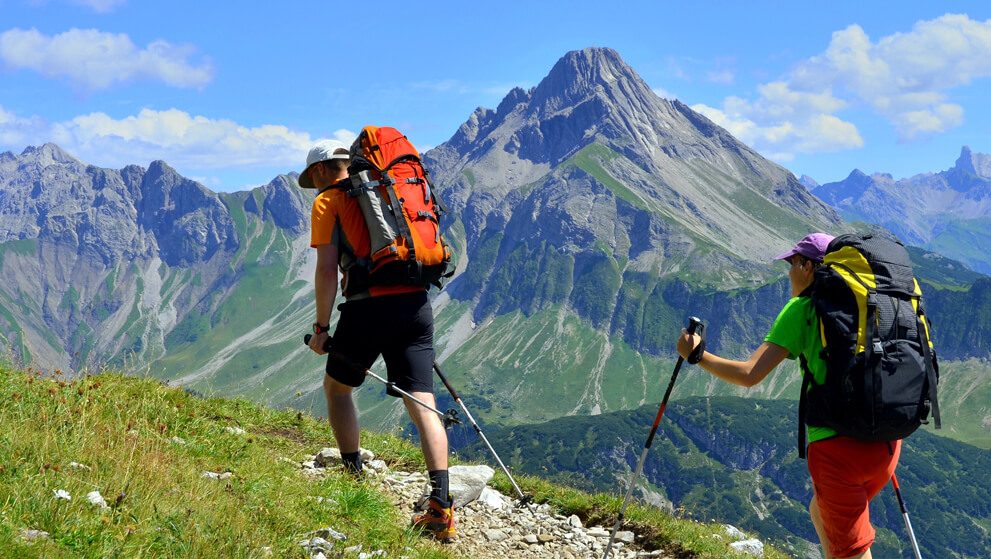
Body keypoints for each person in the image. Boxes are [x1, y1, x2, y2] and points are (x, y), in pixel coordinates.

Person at [675, 233, 899, 559]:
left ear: (807, 266)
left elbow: (750, 375)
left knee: (851, 551)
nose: (789, 272)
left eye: (792, 264)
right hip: (887, 443)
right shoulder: (867, 302)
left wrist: (696, 356)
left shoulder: (802, 309)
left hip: (839, 453)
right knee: (821, 512)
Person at [301, 140, 455, 541]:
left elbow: (325, 270)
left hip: (367, 308)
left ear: (320, 170)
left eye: (311, 177)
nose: (312, 186)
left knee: (336, 389)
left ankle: (352, 478)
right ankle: (441, 504)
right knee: (423, 400)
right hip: (416, 304)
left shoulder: (328, 201)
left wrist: (321, 330)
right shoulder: (388, 190)